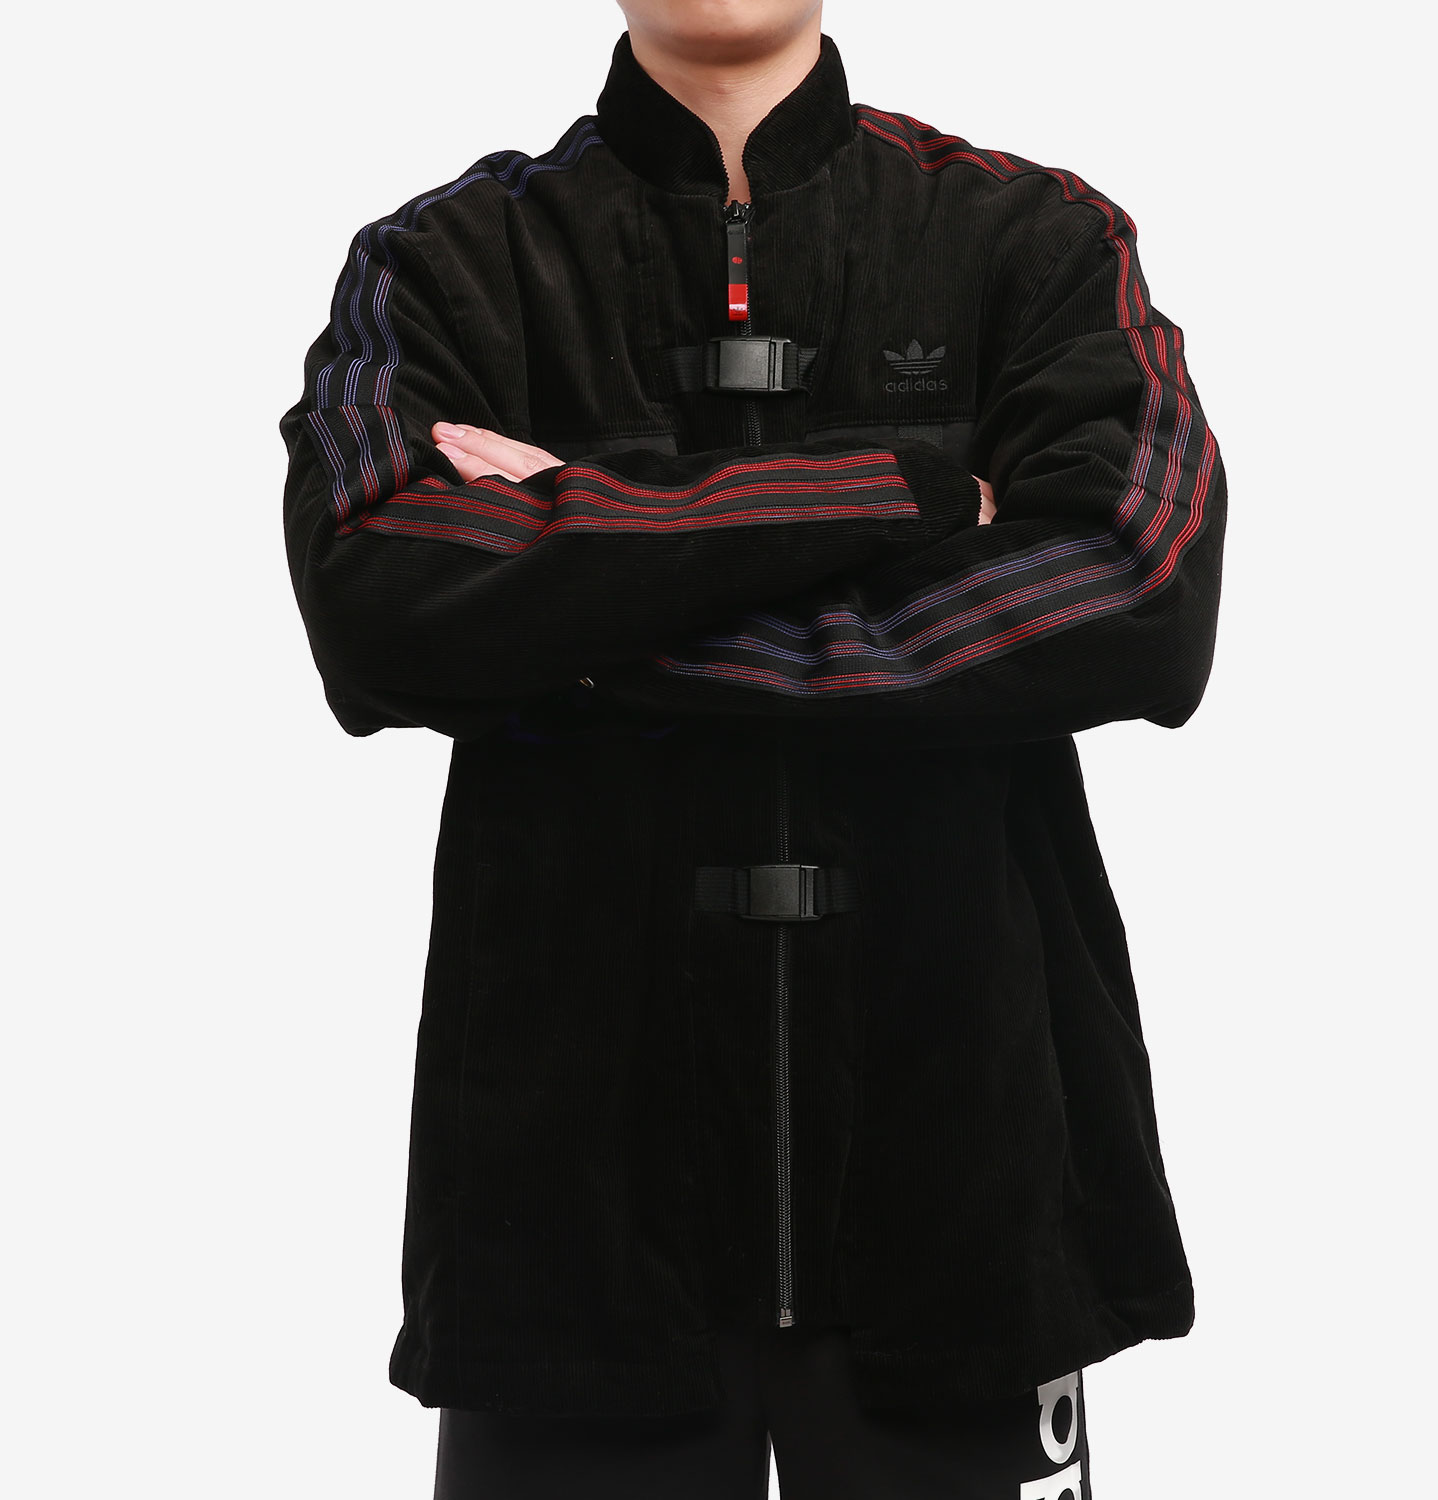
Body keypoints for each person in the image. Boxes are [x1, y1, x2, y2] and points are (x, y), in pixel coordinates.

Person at [279, 1, 1227, 1494]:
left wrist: (579, 604)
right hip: (567, 1215)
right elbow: (377, 599)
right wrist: (908, 488)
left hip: (964, 1191)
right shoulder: (443, 265)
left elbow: (1139, 591)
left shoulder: (1037, 241)